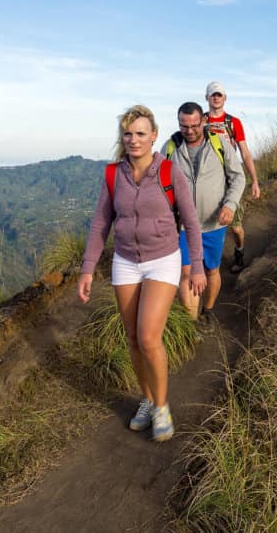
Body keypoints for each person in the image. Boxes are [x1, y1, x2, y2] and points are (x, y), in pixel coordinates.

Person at [78, 105, 207, 443]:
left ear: (153, 136)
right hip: (125, 261)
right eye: (128, 133)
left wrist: (193, 267)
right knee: (133, 339)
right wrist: (87, 269)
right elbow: (100, 224)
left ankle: (162, 406)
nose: (133, 139)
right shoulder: (113, 175)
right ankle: (148, 400)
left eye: (140, 133)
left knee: (149, 337)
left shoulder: (168, 172)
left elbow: (191, 222)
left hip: (163, 259)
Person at [165, 102, 245, 322]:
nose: (189, 131)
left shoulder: (219, 144)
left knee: (211, 271)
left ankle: (207, 311)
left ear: (204, 121)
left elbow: (238, 177)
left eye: (194, 125)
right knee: (187, 273)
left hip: (213, 224)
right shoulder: (171, 147)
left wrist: (230, 205)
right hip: (182, 227)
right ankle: (191, 324)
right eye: (184, 126)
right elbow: (160, 183)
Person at [202, 81, 259, 273]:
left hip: (229, 179)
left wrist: (254, 181)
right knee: (205, 223)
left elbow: (245, 152)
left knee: (235, 227)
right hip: (207, 179)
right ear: (206, 98)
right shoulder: (200, 122)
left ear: (225, 98)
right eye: (213, 95)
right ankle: (206, 263)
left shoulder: (233, 123)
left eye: (219, 95)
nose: (216, 98)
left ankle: (239, 251)